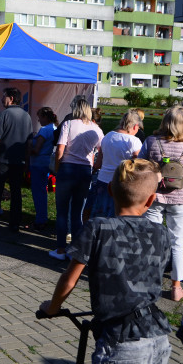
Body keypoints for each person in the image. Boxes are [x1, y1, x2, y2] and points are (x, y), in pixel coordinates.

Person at [39, 159, 172, 364]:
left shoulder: (99, 228)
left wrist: (52, 307)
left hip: (123, 340)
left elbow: (69, 279)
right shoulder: (162, 233)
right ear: (151, 199)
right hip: (157, 335)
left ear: (110, 190)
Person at [139, 105, 183, 301]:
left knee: (152, 240)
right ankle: (176, 287)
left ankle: (150, 282)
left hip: (154, 196)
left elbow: (140, 166)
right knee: (177, 243)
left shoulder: (151, 141)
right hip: (181, 199)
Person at [51, 98, 104, 258]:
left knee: (62, 211)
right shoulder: (96, 129)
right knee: (77, 213)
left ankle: (61, 249)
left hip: (67, 167)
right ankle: (75, 250)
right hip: (85, 170)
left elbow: (60, 149)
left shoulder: (68, 124)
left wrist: (57, 169)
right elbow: (102, 150)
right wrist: (95, 166)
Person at [0, 88, 32, 233]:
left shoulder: (4, 115)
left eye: (4, 96)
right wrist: (27, 160)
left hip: (2, 159)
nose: (2, 99)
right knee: (16, 192)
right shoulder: (27, 116)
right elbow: (29, 142)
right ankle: (15, 224)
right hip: (19, 161)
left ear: (11, 98)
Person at [90, 111, 143, 218]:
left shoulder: (108, 136)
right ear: (135, 126)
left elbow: (98, 164)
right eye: (138, 128)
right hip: (122, 182)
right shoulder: (134, 141)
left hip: (103, 180)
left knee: (100, 213)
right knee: (116, 216)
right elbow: (138, 165)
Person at [29, 107, 59, 231]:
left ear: (45, 117)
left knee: (38, 193)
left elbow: (36, 149)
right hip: (46, 162)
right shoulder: (54, 128)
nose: (39, 120)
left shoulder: (44, 130)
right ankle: (41, 218)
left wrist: (28, 146)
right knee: (42, 191)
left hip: (38, 163)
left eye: (40, 117)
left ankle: (40, 219)